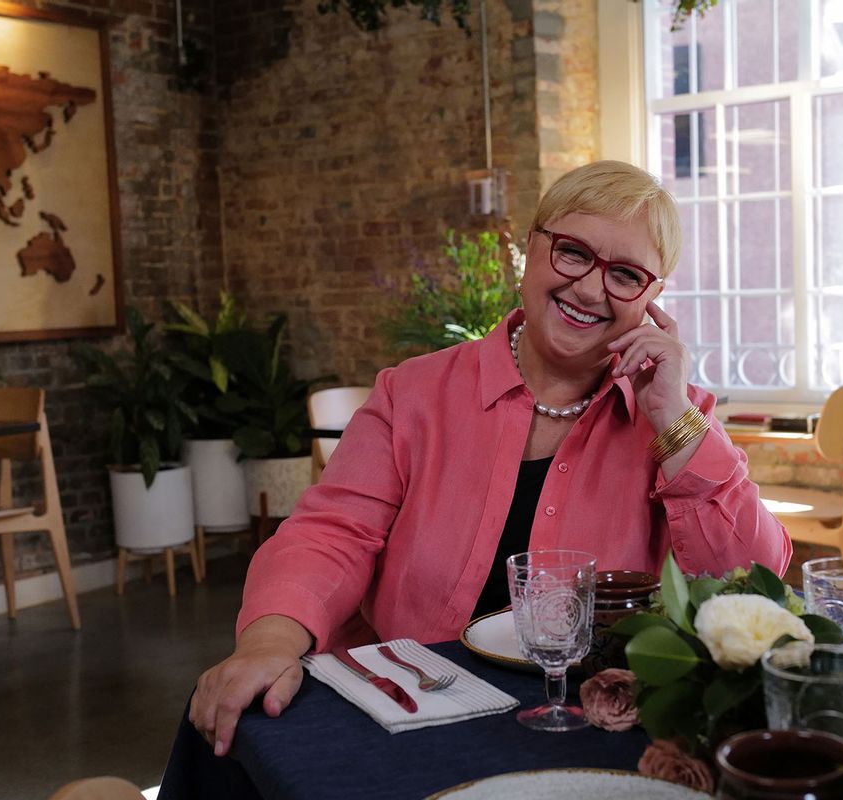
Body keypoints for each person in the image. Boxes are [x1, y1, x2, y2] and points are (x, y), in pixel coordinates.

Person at [189, 160, 791, 757]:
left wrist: (674, 424)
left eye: (626, 274)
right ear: (530, 248)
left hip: (589, 726)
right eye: (573, 252)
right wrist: (268, 640)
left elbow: (753, 583)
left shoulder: (678, 414)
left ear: (653, 300)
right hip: (411, 711)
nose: (588, 288)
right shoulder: (413, 393)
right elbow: (332, 533)